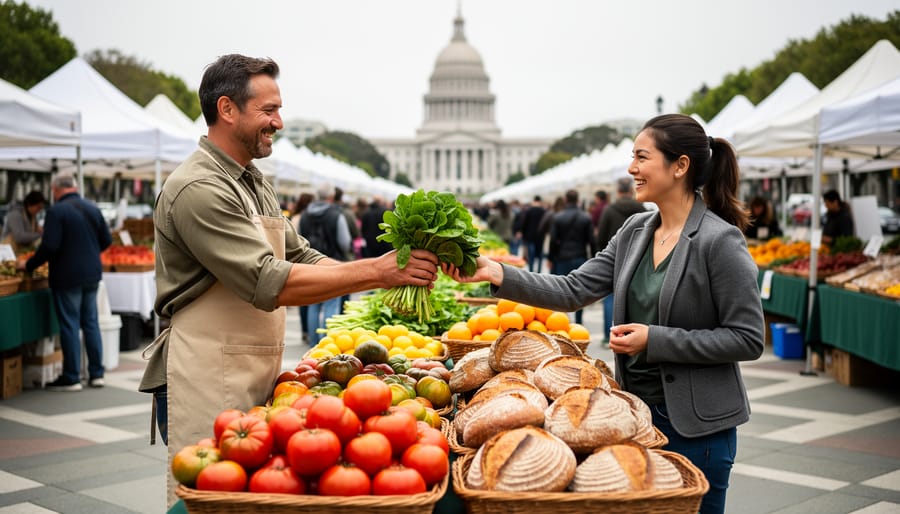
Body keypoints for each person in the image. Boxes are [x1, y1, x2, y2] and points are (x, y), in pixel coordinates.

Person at [136, 54, 437, 507]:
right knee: (215, 499)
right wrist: (378, 270)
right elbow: (268, 279)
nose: (279, 122)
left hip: (251, 368)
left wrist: (388, 277)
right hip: (205, 370)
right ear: (227, 109)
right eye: (269, 110)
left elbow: (302, 256)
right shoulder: (199, 187)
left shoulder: (253, 181)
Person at [443, 114, 765, 514]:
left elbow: (748, 338)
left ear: (680, 166)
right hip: (633, 419)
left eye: (642, 157)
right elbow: (574, 288)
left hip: (699, 427)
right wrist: (497, 273)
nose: (632, 168)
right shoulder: (635, 230)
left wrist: (655, 339)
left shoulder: (720, 240)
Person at [20, 175, 112, 391]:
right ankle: (97, 373)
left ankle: (71, 376)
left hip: (67, 275)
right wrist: (88, 253)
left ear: (55, 190)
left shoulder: (56, 211)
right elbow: (107, 240)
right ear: (75, 187)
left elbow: (50, 246)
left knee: (70, 324)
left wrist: (30, 264)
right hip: (91, 274)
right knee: (90, 323)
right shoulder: (92, 207)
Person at [300, 183, 352, 344]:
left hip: (310, 263)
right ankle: (327, 342)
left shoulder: (305, 215)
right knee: (332, 303)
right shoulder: (336, 214)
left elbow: (298, 239)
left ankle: (314, 341)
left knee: (313, 303)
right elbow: (344, 242)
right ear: (331, 196)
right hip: (332, 262)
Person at [596, 176, 646, 341]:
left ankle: (608, 335)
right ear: (631, 190)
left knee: (610, 299)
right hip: (640, 259)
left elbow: (601, 236)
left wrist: (601, 255)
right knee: (637, 298)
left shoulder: (610, 210)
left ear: (618, 191)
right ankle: (633, 334)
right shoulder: (642, 209)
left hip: (615, 259)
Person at [547, 189, 596, 324]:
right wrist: (594, 257)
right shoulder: (586, 217)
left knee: (561, 290)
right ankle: (579, 321)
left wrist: (550, 258)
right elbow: (591, 240)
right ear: (577, 199)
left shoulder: (558, 217)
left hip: (562, 257)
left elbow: (553, 240)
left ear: (566, 199)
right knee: (580, 291)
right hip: (580, 257)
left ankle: (562, 321)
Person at [519, 195, 546, 272]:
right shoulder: (543, 211)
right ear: (540, 201)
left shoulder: (529, 211)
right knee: (540, 255)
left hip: (530, 236)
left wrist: (523, 235)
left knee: (531, 256)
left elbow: (524, 224)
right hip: (540, 237)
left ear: (534, 201)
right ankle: (539, 272)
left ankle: (531, 271)